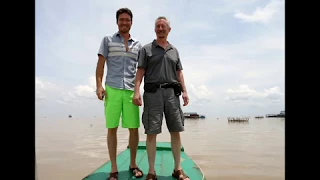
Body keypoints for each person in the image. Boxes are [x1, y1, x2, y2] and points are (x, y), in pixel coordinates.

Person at [133, 16, 190, 180]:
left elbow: (179, 72)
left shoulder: (174, 50)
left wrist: (185, 91)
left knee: (176, 130)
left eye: (163, 26)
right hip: (152, 94)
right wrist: (137, 92)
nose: (160, 28)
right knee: (151, 132)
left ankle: (178, 169)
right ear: (154, 29)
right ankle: (151, 171)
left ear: (169, 30)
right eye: (157, 26)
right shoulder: (146, 49)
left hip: (172, 94)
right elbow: (140, 72)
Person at [95, 7, 144, 180]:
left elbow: (141, 70)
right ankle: (114, 169)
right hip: (112, 89)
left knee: (133, 128)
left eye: (127, 20)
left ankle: (133, 164)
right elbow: (101, 65)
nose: (124, 22)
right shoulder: (107, 40)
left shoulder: (138, 45)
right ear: (117, 22)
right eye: (121, 19)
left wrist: (138, 90)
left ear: (131, 22)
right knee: (112, 128)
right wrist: (99, 86)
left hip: (131, 90)